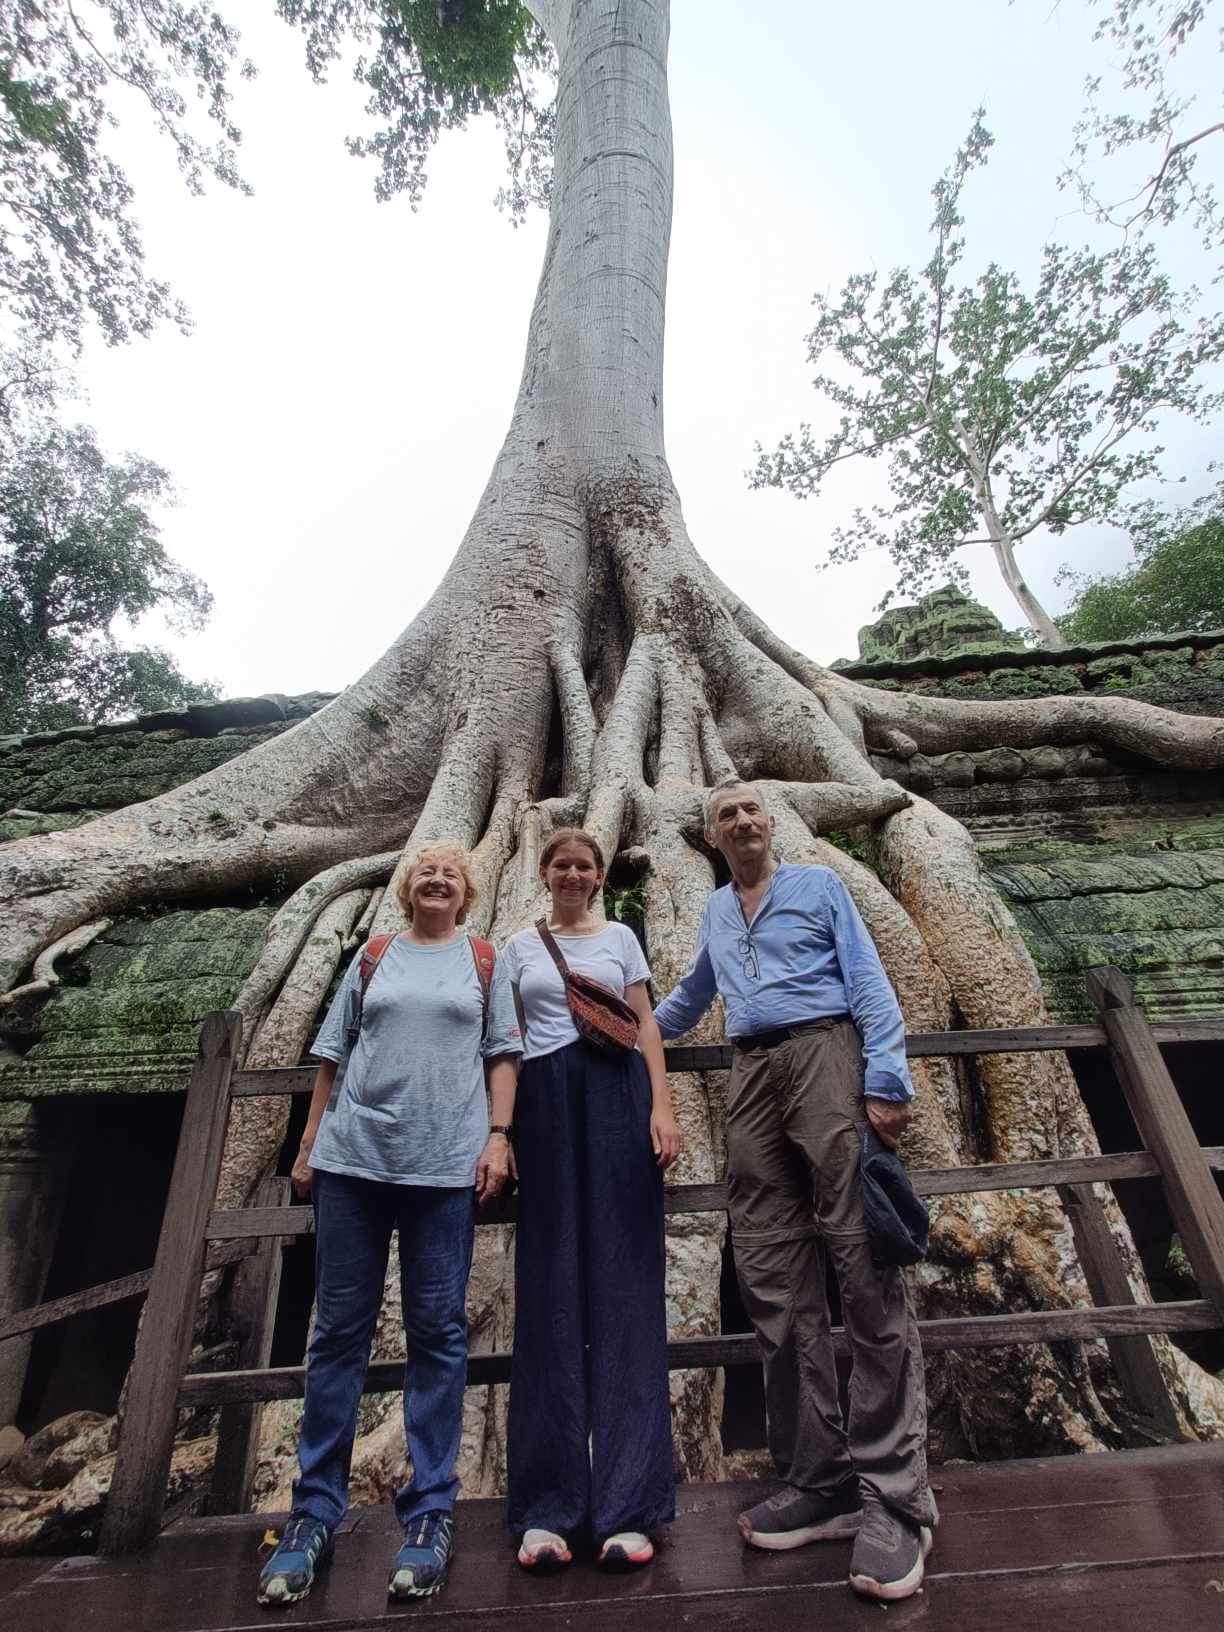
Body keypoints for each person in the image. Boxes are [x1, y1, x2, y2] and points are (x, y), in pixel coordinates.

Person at [652, 780, 938, 1604]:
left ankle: (895, 1497)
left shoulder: (817, 885)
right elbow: (689, 999)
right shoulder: (714, 909)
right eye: (724, 814)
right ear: (711, 838)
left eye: (750, 809)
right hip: (752, 1073)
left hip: (824, 1053)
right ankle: (821, 1476)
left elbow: (869, 977)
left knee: (861, 1264)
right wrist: (615, 1036)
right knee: (774, 1275)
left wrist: (886, 1076)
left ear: (770, 823)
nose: (740, 820)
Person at [257, 841, 522, 1608]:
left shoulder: (482, 959)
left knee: (437, 1330)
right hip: (353, 1163)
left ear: (466, 892)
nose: (438, 879)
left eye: (451, 874)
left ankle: (431, 1511)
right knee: (338, 1332)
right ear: (408, 890)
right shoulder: (373, 955)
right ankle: (311, 1517)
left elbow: (503, 1052)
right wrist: (309, 1144)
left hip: (444, 1168)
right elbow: (333, 1057)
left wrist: (499, 1136)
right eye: (426, 873)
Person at [500, 827, 682, 1572]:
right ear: (544, 873)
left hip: (616, 1100)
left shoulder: (623, 940)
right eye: (560, 863)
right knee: (547, 1293)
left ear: (599, 875)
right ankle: (547, 1510)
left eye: (584, 864)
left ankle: (628, 1508)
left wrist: (661, 1108)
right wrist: (499, 1131)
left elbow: (646, 1028)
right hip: (544, 1104)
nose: (572, 873)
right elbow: (504, 1045)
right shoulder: (516, 948)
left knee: (625, 1288)